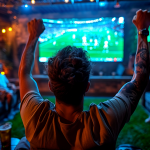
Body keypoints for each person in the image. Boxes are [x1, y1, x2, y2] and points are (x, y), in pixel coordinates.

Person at [17, 9, 150, 150]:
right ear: (87, 86)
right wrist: (142, 30)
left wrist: (33, 36)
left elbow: (24, 73)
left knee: (23, 141)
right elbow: (140, 79)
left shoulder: (35, 117)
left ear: (50, 86)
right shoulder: (106, 120)